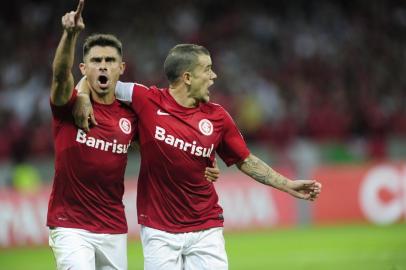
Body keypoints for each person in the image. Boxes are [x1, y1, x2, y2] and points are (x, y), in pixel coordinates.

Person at [75, 44, 322, 270]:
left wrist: (288, 185)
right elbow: (95, 79)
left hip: (206, 227)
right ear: (187, 77)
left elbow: (245, 160)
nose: (213, 77)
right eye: (208, 69)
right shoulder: (146, 98)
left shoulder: (218, 117)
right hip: (159, 230)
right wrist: (83, 96)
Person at [47, 2, 220, 270]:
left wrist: (204, 162)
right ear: (83, 68)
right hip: (70, 225)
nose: (102, 67)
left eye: (109, 61)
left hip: (113, 226)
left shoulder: (130, 117)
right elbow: (59, 77)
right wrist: (69, 36)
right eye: (95, 61)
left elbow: (166, 146)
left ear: (121, 68)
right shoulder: (69, 107)